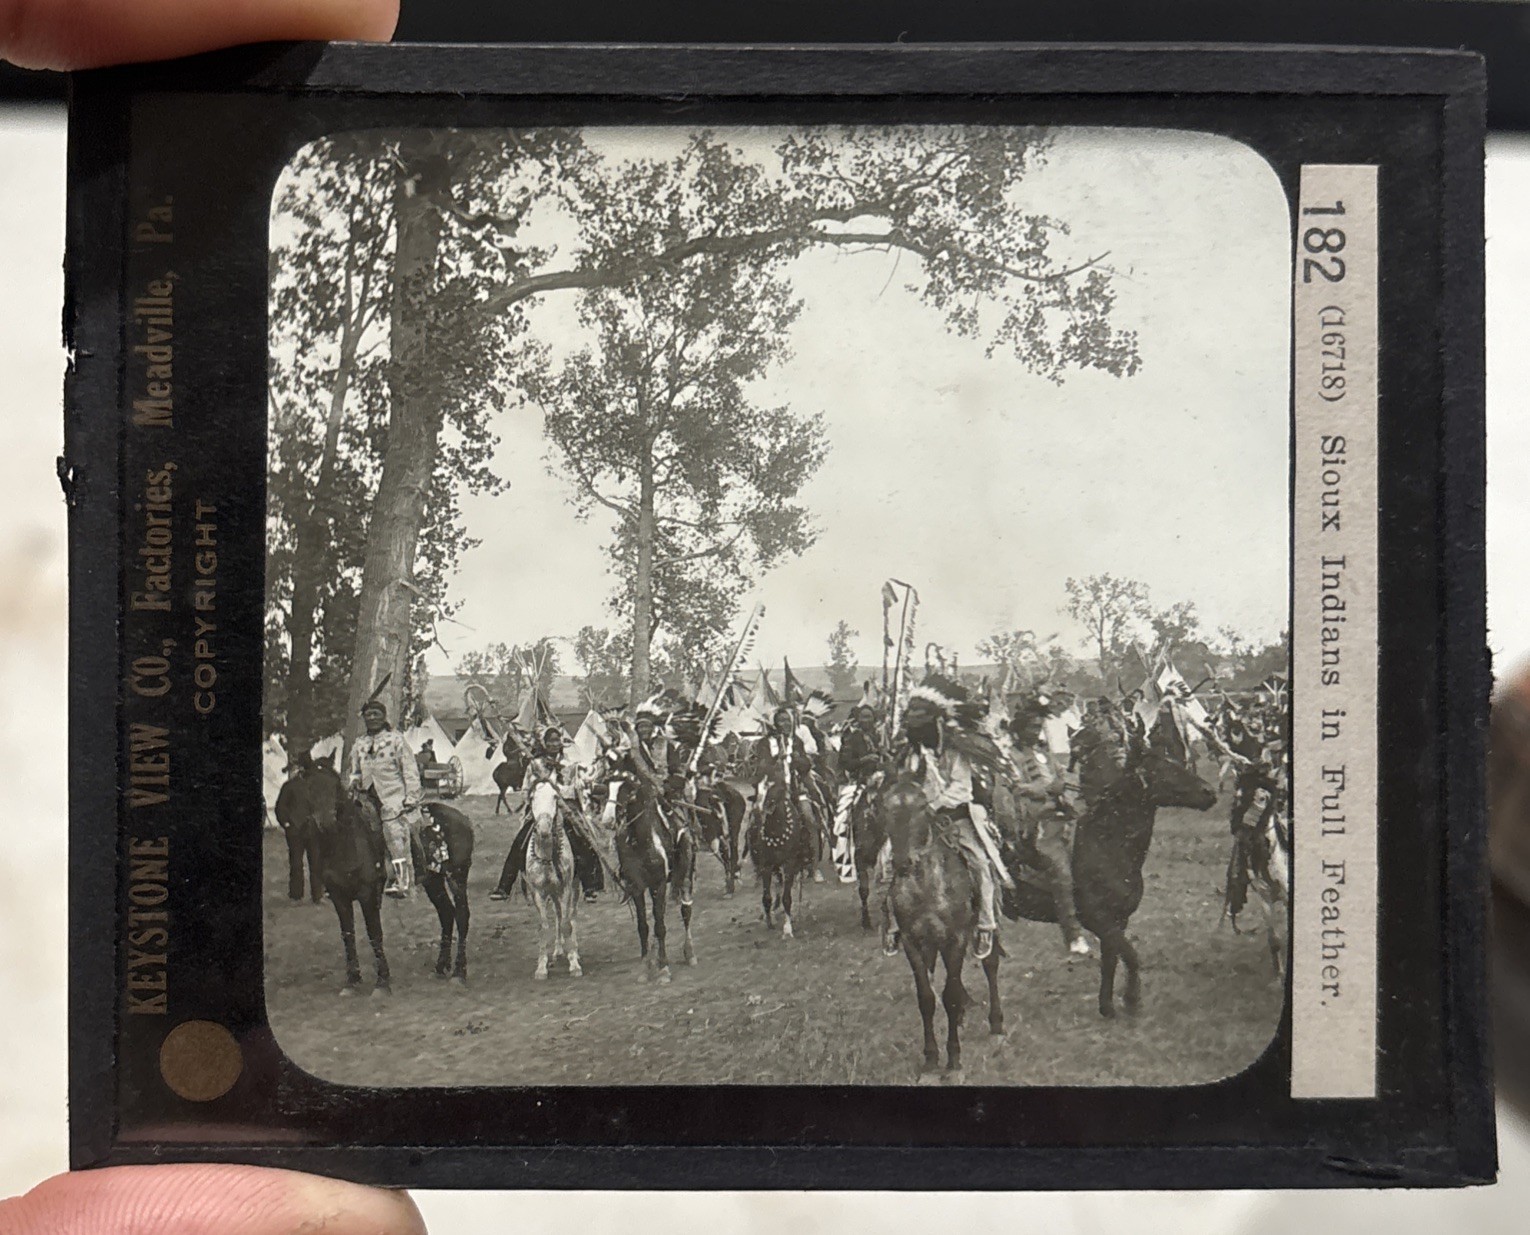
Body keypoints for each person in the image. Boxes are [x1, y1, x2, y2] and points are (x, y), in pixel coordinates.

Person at [1, 5, 428, 1234]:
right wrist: (316, 753)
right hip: (313, 758)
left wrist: (363, 750)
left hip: (354, 769)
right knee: (319, 808)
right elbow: (307, 744)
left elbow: (369, 746)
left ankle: (386, 889)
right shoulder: (304, 724)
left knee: (382, 816)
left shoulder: (368, 729)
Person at [897, 678, 1008, 961]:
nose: (912, 718)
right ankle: (893, 922)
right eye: (910, 714)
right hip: (919, 820)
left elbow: (961, 788)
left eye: (919, 714)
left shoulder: (957, 750)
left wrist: (934, 806)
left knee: (980, 863)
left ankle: (986, 924)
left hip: (957, 818)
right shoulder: (912, 753)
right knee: (889, 861)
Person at [1007, 696, 1090, 956]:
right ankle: (1073, 934)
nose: (1036, 731)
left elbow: (1060, 774)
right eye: (1031, 727)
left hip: (1060, 816)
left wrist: (1064, 780)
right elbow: (1015, 787)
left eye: (1039, 726)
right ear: (1019, 729)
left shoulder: (1044, 752)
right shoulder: (1012, 756)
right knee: (1061, 870)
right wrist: (1047, 788)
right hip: (1035, 823)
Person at [490, 726, 602, 902]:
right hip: (541, 809)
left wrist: (562, 793)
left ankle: (590, 887)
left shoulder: (569, 765)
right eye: (550, 741)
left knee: (580, 840)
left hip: (564, 810)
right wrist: (539, 791)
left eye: (557, 740)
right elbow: (525, 790)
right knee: (520, 842)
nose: (554, 744)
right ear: (544, 743)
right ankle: (504, 887)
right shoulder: (535, 765)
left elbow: (575, 788)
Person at [347, 698, 424, 898]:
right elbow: (355, 770)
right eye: (368, 715)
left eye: (376, 714)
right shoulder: (359, 744)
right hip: (366, 797)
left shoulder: (395, 740)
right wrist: (354, 781)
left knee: (393, 833)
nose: (372, 718)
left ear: (384, 717)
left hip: (394, 797)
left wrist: (411, 798)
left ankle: (402, 881)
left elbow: (410, 771)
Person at [831, 702, 884, 882]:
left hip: (881, 781)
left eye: (869, 717)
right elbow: (845, 763)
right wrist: (864, 759)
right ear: (858, 719)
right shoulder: (852, 739)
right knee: (842, 816)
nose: (866, 720)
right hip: (858, 781)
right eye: (863, 717)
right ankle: (845, 854)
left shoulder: (880, 736)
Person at [274, 752, 323, 903]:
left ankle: (317, 895)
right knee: (296, 863)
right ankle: (296, 895)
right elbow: (280, 807)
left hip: (313, 830)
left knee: (316, 863)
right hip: (295, 830)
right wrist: (287, 823)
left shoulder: (316, 787)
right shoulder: (289, 786)